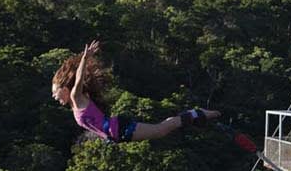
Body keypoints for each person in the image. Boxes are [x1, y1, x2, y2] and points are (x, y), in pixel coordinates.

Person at [51, 40, 221, 142]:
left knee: (160, 131)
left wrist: (85, 58)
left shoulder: (76, 96)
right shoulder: (76, 104)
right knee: (160, 129)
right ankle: (190, 115)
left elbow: (79, 78)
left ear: (64, 88)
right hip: (117, 134)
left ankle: (200, 114)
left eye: (55, 92)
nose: (54, 97)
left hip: (119, 129)